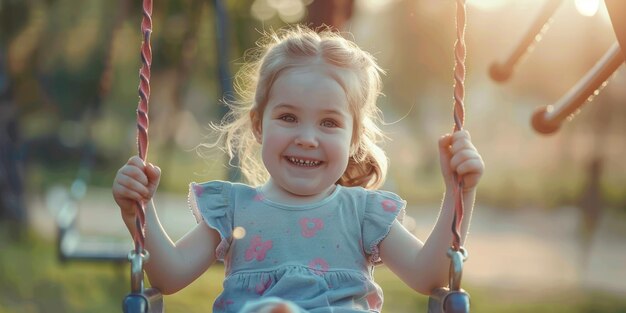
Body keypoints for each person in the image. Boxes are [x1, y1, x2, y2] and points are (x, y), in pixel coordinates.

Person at [112, 26, 484, 313]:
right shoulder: (233, 208)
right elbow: (169, 274)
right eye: (288, 117)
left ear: (355, 139)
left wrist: (459, 193)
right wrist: (138, 213)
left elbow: (429, 275)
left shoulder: (362, 213)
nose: (307, 138)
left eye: (329, 123)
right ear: (259, 125)